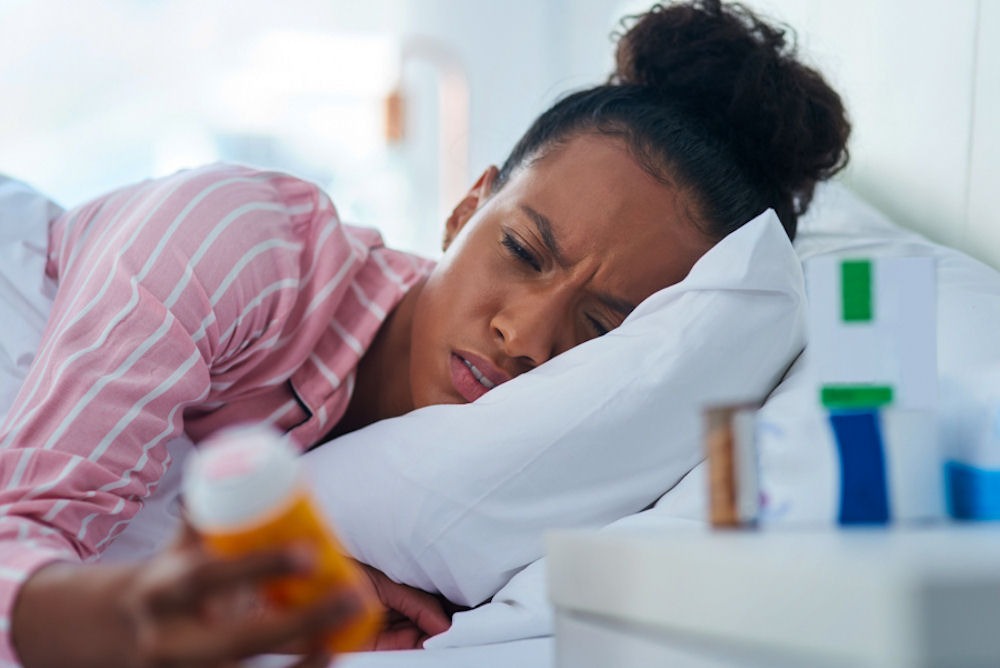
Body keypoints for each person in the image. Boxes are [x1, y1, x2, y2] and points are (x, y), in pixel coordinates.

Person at [0, 1, 850, 665]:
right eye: (522, 251)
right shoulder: (238, 245)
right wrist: (170, 616)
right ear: (464, 208)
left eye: (602, 327)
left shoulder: (505, 493)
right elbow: (21, 532)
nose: (525, 333)